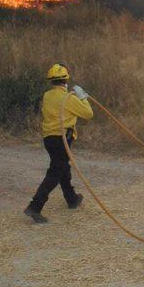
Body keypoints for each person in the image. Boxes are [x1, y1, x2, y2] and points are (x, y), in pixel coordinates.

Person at [24, 63, 94, 224]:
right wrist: (82, 98)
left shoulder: (47, 96)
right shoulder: (67, 98)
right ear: (66, 80)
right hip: (62, 139)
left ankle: (71, 198)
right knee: (55, 172)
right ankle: (35, 206)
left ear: (51, 81)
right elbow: (88, 114)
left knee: (62, 167)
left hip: (49, 139)